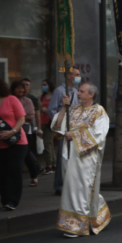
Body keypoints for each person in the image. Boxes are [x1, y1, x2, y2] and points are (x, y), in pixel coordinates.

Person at [53, 83, 111, 237]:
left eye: (82, 91)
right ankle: (97, 216)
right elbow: (58, 126)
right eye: (78, 91)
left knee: (81, 189)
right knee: (71, 188)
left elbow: (99, 134)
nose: (78, 93)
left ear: (91, 94)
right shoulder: (73, 109)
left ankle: (77, 226)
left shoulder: (99, 111)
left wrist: (74, 135)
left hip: (86, 157)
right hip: (69, 154)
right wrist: (64, 108)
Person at [0, 77, 28, 210]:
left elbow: (21, 119)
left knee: (14, 170)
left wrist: (12, 132)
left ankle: (12, 201)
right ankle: (5, 200)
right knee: (1, 173)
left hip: (16, 142)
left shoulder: (11, 99)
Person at [47, 67, 80, 195]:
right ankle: (59, 185)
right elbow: (51, 109)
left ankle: (70, 183)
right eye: (76, 74)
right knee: (62, 157)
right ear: (69, 76)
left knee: (71, 158)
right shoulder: (60, 91)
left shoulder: (75, 91)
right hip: (64, 129)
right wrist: (59, 124)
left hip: (73, 129)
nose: (78, 77)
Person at [11, 81, 44, 187]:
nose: (21, 90)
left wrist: (16, 117)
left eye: (22, 88)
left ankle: (34, 175)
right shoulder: (9, 99)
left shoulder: (28, 100)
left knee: (26, 154)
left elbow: (30, 117)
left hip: (24, 131)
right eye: (18, 88)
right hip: (10, 130)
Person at [39, 78, 56, 173]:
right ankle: (53, 164)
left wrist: (47, 110)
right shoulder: (43, 96)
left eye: (45, 84)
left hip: (51, 121)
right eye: (43, 85)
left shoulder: (54, 96)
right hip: (43, 121)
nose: (44, 86)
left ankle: (49, 165)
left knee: (47, 143)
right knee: (49, 144)